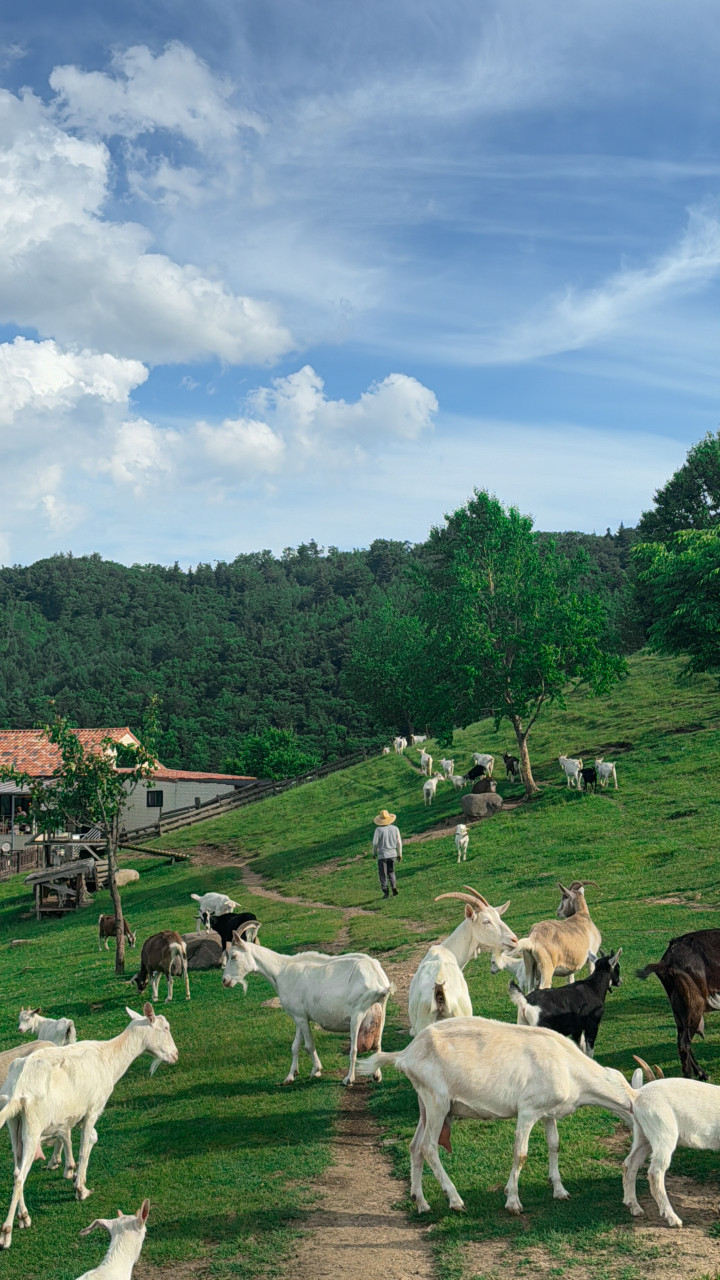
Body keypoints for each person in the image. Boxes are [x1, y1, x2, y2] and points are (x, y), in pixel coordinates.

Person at [372, 808, 402, 898]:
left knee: (383, 874)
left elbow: (375, 843)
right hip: (392, 854)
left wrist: (374, 853)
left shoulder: (378, 830)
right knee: (391, 872)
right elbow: (399, 842)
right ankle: (394, 887)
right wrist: (399, 853)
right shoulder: (395, 828)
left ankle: (386, 892)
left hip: (382, 855)